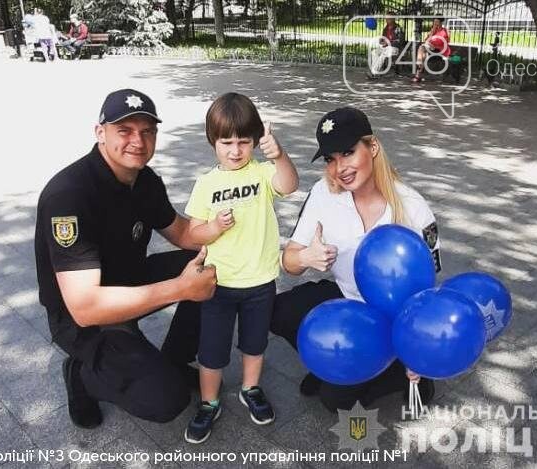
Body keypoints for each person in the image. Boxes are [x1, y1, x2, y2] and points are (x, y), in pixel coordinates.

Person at [34, 88, 217, 429]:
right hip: (80, 318)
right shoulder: (69, 197)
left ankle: (174, 359)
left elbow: (181, 232)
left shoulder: (144, 181)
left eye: (147, 131)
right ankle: (80, 374)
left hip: (127, 279)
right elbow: (85, 307)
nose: (138, 140)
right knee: (167, 399)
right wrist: (181, 288)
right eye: (125, 130)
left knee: (213, 267)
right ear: (99, 132)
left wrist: (229, 228)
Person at [270, 107, 441, 413]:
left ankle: (400, 371)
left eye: (348, 152)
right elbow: (289, 261)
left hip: (394, 318)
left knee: (335, 400)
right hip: (349, 302)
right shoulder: (324, 193)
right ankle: (329, 366)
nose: (340, 168)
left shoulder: (412, 207)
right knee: (277, 311)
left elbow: (428, 294)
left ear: (372, 147)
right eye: (330, 159)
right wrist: (307, 256)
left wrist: (418, 351)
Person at [182, 93, 299, 444]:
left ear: (254, 141)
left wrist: (278, 155)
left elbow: (289, 185)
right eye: (226, 142)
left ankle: (251, 388)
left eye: (243, 142)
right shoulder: (206, 184)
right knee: (212, 349)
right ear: (212, 141)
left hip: (260, 280)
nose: (235, 151)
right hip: (218, 282)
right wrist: (214, 228)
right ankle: (209, 402)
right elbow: (192, 232)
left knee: (254, 343)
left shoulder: (263, 172)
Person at [412, 16, 451, 83]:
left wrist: (434, 45)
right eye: (434, 22)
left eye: (437, 22)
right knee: (422, 51)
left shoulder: (445, 31)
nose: (435, 23)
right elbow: (426, 40)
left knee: (422, 49)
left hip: (440, 50)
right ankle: (419, 68)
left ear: (441, 22)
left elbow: (446, 42)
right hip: (430, 49)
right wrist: (432, 32)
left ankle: (418, 72)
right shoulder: (433, 30)